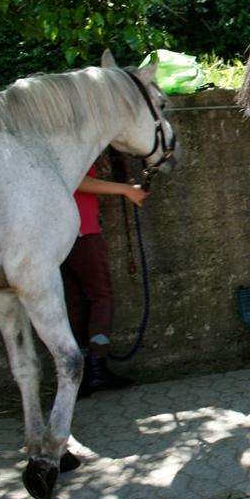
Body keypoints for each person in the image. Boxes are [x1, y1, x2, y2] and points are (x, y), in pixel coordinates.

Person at [60, 155, 147, 397]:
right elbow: (78, 180)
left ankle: (84, 371)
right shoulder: (76, 141)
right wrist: (126, 190)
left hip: (60, 231)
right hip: (82, 228)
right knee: (101, 296)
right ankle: (97, 368)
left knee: (77, 301)